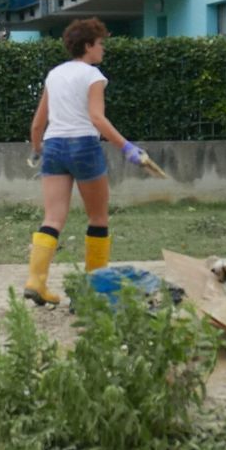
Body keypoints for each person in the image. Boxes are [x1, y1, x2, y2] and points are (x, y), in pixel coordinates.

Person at [22, 18, 151, 306]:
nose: (103, 49)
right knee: (98, 218)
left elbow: (37, 124)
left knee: (53, 218)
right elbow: (96, 118)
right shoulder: (93, 76)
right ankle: (96, 290)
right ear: (88, 46)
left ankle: (36, 281)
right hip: (83, 146)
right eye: (100, 43)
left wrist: (36, 150)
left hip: (53, 147)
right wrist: (126, 147)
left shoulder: (54, 75)